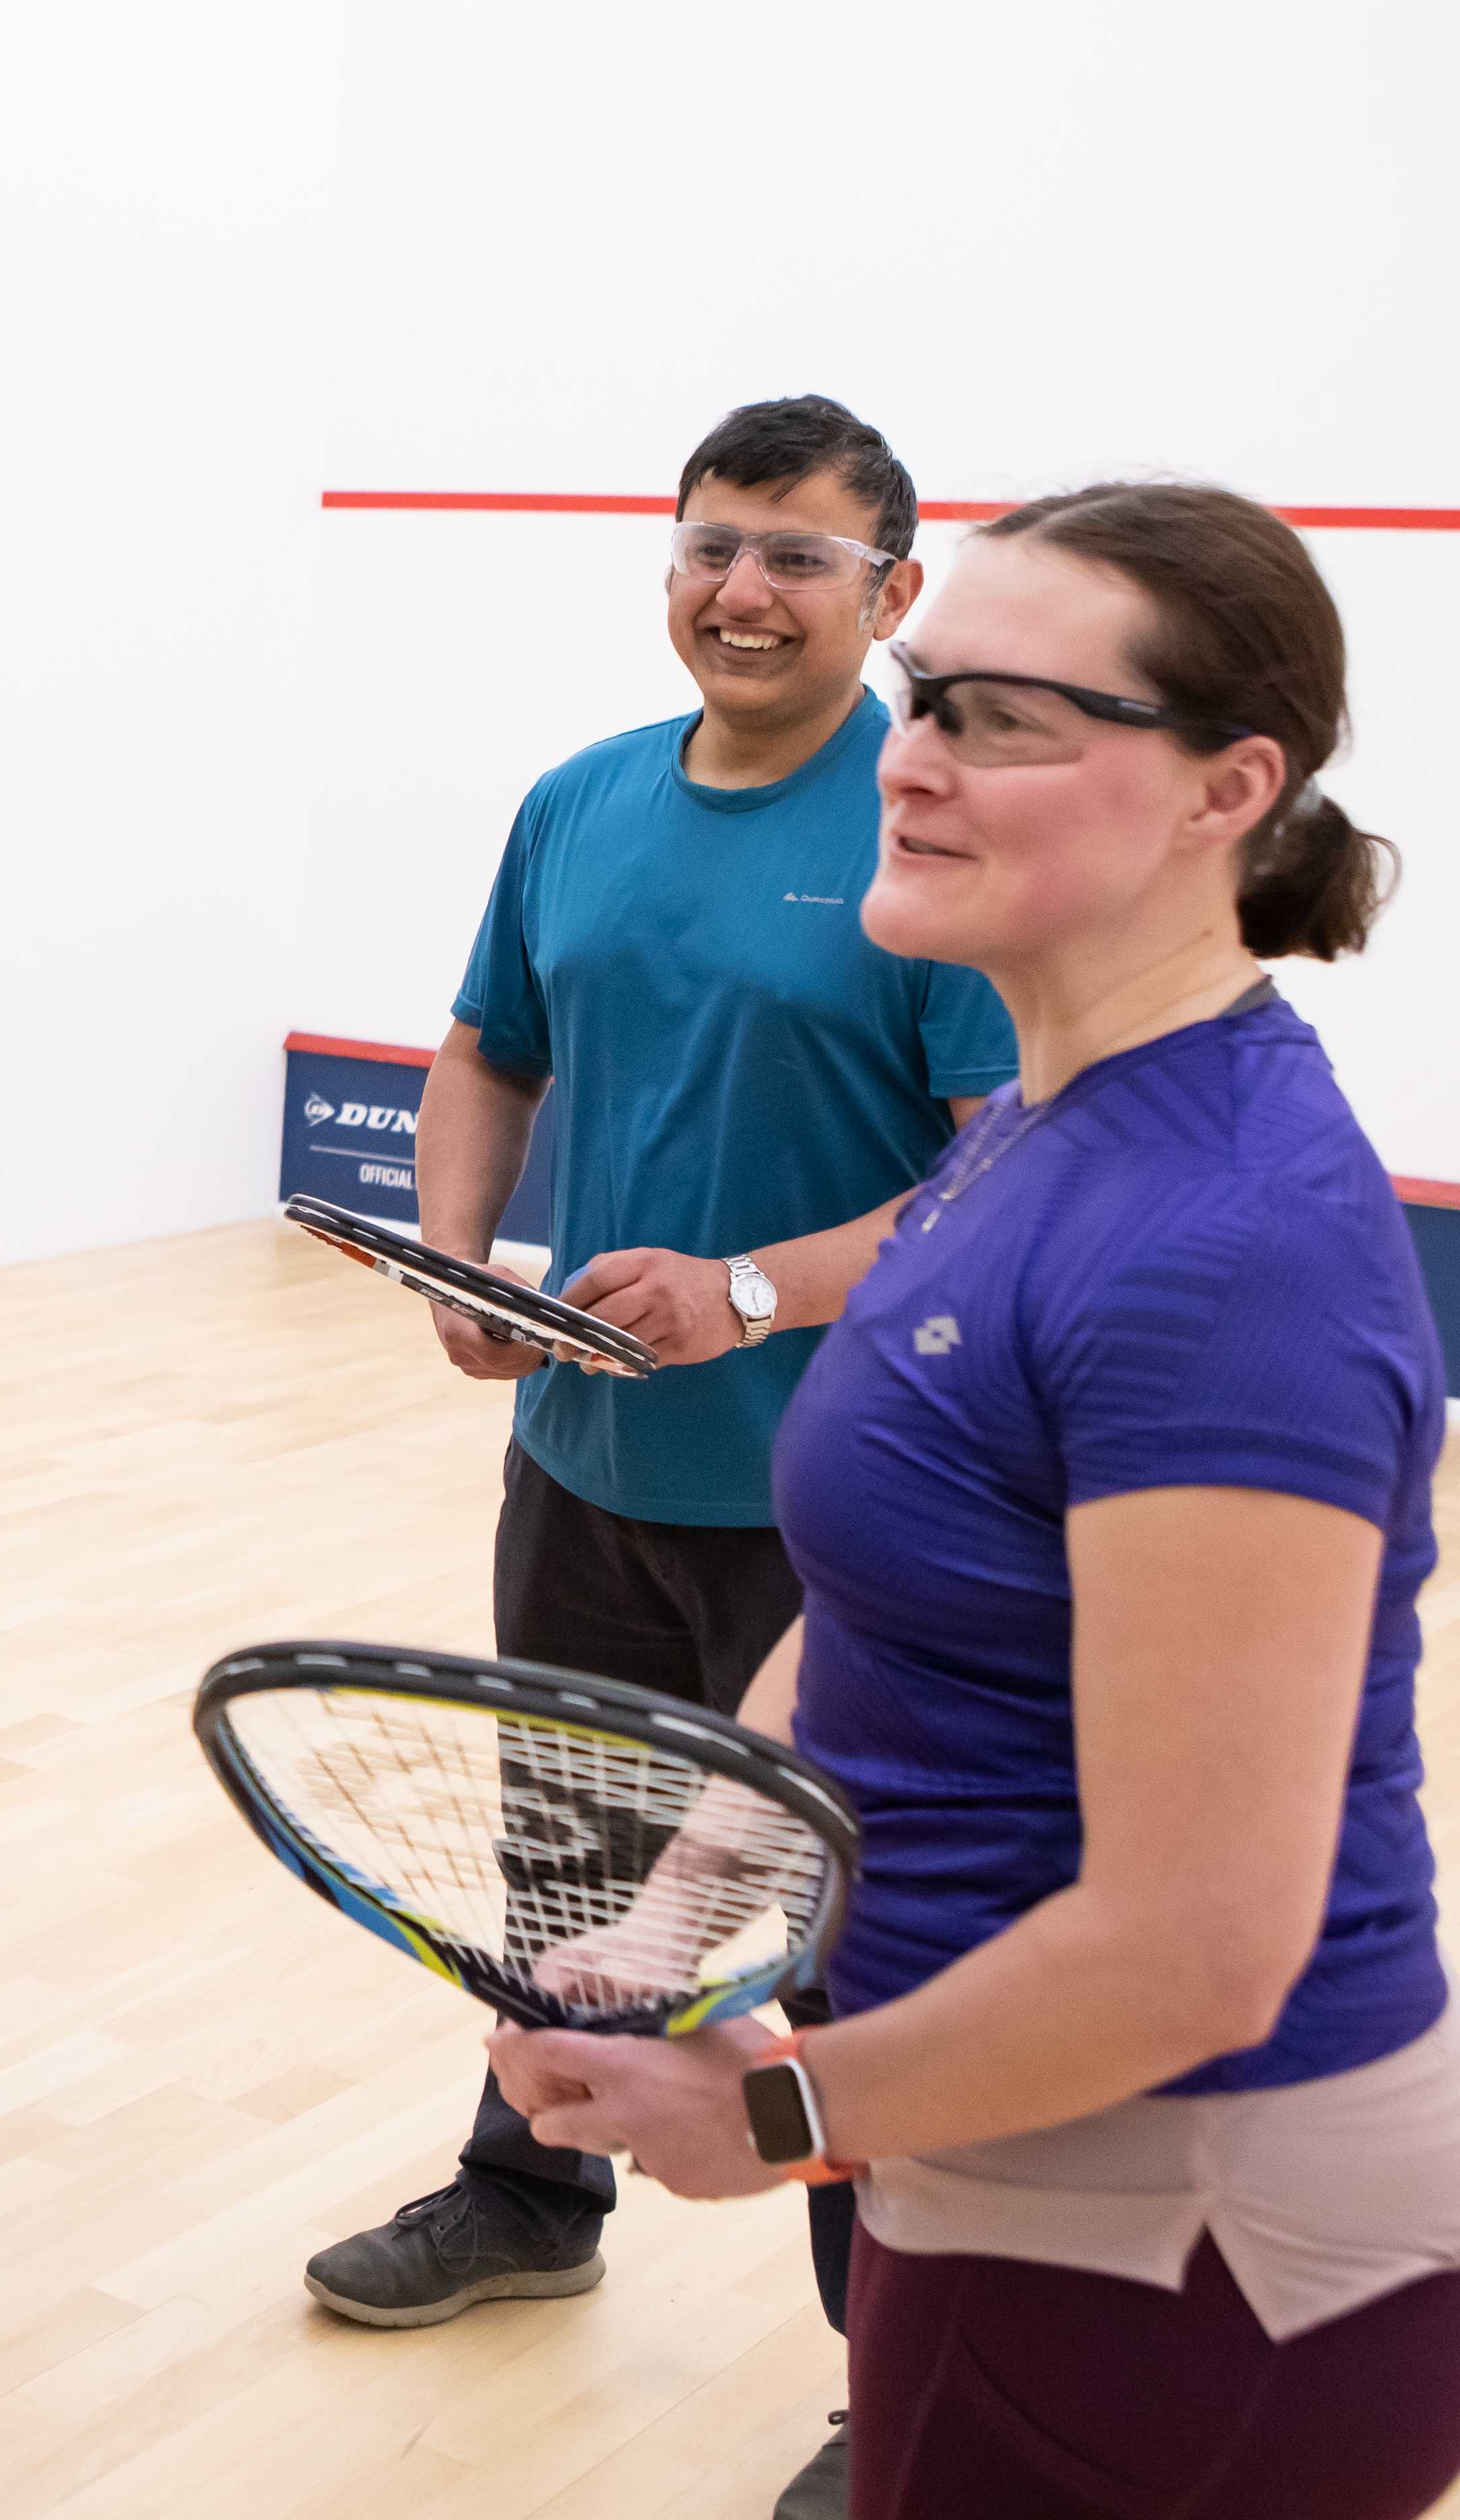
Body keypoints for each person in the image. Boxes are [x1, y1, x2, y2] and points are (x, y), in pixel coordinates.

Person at [498, 482, 1460, 2519]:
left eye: (1008, 719)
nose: (923, 759)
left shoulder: (1224, 1247)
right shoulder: (1043, 1127)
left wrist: (779, 2113)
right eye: (925, 694)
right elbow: (878, 1603)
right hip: (1011, 2181)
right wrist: (687, 1911)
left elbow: (1202, 1946)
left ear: (1233, 788)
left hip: (1197, 2255)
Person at [303, 396, 1014, 2520]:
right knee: (565, 1875)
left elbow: (1005, 1180)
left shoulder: (936, 822)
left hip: (849, 1504)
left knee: (834, 1943)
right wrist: (455, 1247)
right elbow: (482, 1052)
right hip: (584, 1468)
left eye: (801, 556)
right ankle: (529, 2197)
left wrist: (755, 1292)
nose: (745, 587)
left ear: (894, 593)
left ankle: (894, 2376)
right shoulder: (579, 804)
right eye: (714, 542)